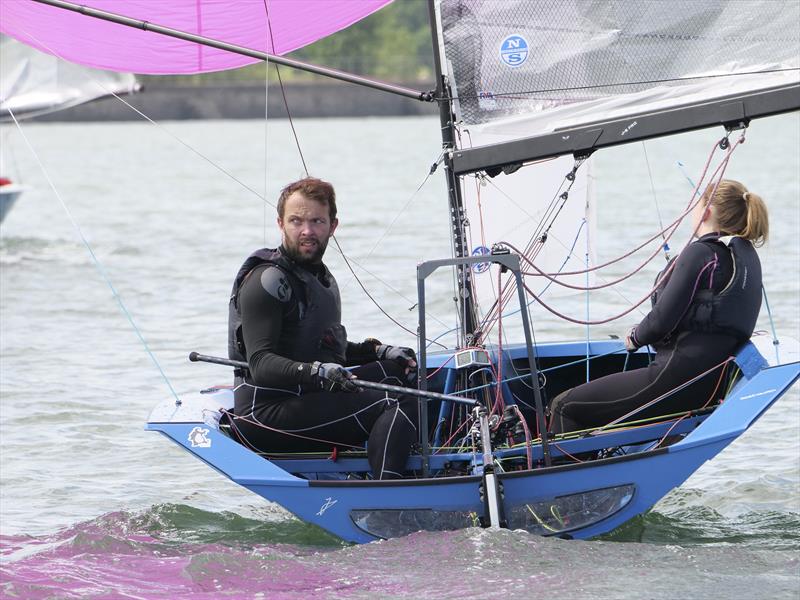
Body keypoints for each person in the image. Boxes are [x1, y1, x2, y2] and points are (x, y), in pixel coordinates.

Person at [227, 177, 419, 479]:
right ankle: (387, 500)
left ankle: (409, 467)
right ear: (280, 224)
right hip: (265, 415)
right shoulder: (266, 282)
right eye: (296, 221)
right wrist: (317, 371)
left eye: (317, 221)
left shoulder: (320, 279)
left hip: (305, 396)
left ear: (333, 226)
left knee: (398, 374)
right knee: (393, 399)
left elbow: (325, 349)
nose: (307, 231)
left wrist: (379, 351)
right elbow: (261, 364)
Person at [549, 179, 768, 435]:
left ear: (706, 211)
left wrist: (634, 338)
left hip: (674, 380)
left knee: (563, 405)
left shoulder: (701, 254)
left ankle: (562, 473)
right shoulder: (740, 258)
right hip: (707, 387)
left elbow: (660, 322)